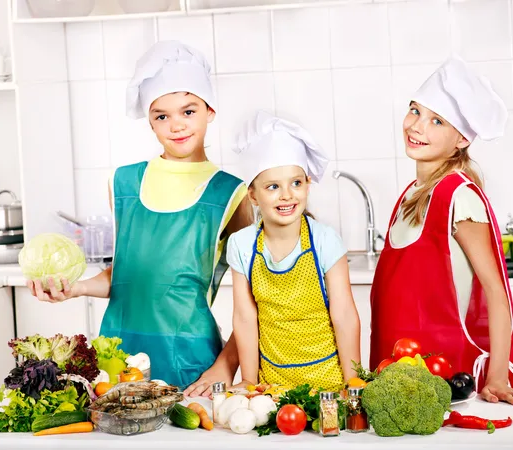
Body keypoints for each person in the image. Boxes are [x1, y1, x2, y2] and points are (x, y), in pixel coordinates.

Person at [28, 41, 253, 395]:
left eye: (188, 111)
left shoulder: (231, 193)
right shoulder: (123, 182)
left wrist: (224, 367)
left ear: (210, 110)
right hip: (117, 357)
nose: (176, 125)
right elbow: (128, 275)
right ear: (150, 122)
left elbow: (257, 300)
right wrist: (77, 288)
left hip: (191, 360)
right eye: (162, 115)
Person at [370, 55, 513, 406]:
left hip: (445, 380)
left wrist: (499, 375)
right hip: (400, 374)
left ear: (460, 139)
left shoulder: (458, 196)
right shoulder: (410, 195)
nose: (417, 126)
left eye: (436, 121)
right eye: (415, 111)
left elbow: (495, 289)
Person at [227, 111, 361, 391]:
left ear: (307, 184)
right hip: (271, 383)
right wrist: (249, 381)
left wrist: (352, 380)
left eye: (296, 183)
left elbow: (344, 314)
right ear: (253, 195)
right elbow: (244, 317)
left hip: (328, 382)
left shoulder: (325, 240)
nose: (287, 195)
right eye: (273, 187)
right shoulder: (241, 245)